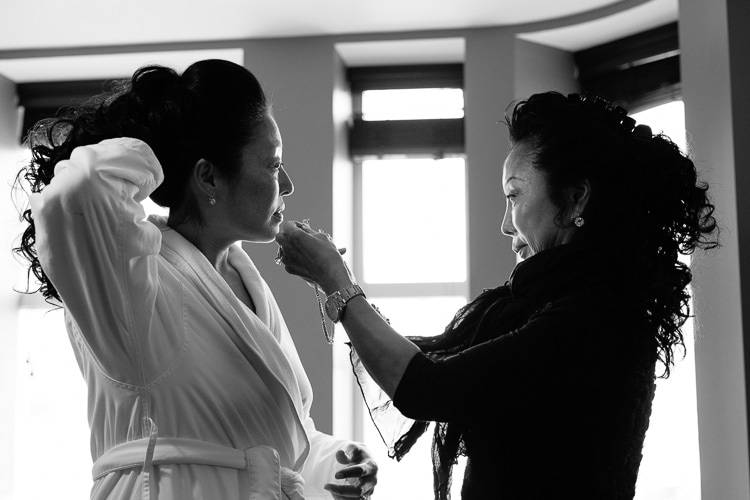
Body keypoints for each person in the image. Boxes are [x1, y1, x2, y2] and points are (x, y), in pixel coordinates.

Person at [274, 91, 718, 499]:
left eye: (514, 195)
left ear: (576, 199)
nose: (506, 225)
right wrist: (335, 284)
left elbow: (427, 385)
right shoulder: (575, 305)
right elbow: (430, 364)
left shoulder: (593, 319)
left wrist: (337, 280)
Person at [14, 59, 376, 500]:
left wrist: (329, 458)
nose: (288, 183)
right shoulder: (134, 278)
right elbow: (80, 189)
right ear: (208, 176)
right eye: (273, 164)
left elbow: (267, 433)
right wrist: (158, 140)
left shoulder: (243, 280)